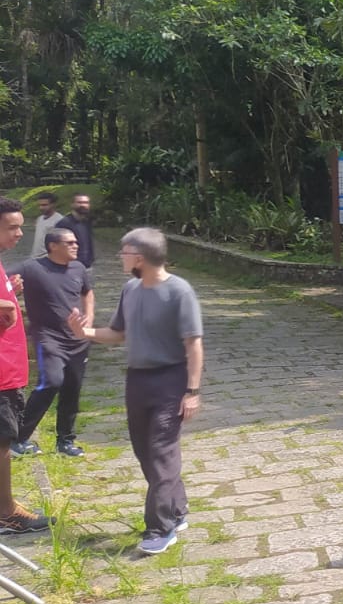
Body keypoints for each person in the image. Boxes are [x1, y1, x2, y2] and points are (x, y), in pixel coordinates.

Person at [69, 228, 203, 555]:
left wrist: (192, 391)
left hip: (170, 380)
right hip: (137, 380)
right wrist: (83, 331)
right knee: (145, 451)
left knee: (161, 451)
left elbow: (193, 344)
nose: (120, 258)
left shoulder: (179, 292)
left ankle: (160, 528)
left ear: (140, 258)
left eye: (124, 253)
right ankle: (177, 508)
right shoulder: (130, 289)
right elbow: (118, 333)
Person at [13, 227, 94, 458]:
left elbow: (88, 292)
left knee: (72, 389)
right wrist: (14, 293)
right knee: (51, 381)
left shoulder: (78, 268)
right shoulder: (32, 268)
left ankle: (65, 442)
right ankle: (18, 438)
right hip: (48, 338)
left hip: (77, 340)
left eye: (76, 242)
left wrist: (89, 315)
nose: (75, 246)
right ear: (53, 246)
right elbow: (4, 281)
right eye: (69, 243)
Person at [0, 197, 51, 535]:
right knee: (1, 444)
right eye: (12, 227)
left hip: (9, 370)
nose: (19, 233)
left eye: (21, 226)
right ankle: (7, 512)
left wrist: (10, 292)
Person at [56, 193, 96, 274]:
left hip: (87, 266)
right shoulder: (64, 223)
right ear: (72, 204)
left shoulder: (87, 221)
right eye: (79, 202)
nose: (83, 205)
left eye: (86, 203)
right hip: (70, 268)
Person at [30, 193, 64, 259]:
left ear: (53, 204)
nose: (41, 208)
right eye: (39, 205)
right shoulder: (40, 219)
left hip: (48, 259)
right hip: (35, 258)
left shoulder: (60, 221)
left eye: (44, 205)